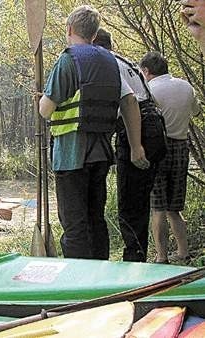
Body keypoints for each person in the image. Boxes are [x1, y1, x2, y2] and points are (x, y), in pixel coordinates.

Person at [39, 5, 149, 260]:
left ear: (69, 29)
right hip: (101, 154)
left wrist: (42, 98)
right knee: (95, 219)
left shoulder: (68, 59)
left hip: (70, 155)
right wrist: (136, 146)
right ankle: (101, 272)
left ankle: (79, 280)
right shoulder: (111, 61)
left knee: (74, 224)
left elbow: (46, 110)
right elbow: (130, 101)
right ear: (95, 32)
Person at [93, 28, 160, 262]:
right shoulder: (128, 62)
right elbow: (150, 99)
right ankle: (138, 256)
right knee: (139, 201)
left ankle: (135, 260)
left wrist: (135, 145)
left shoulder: (107, 63)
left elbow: (130, 101)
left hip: (137, 129)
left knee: (129, 205)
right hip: (154, 125)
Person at [140, 52, 202, 264]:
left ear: (146, 71)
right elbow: (197, 113)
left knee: (157, 206)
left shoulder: (149, 89)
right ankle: (183, 252)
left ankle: (161, 256)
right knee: (174, 207)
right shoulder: (186, 87)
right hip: (181, 147)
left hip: (158, 149)